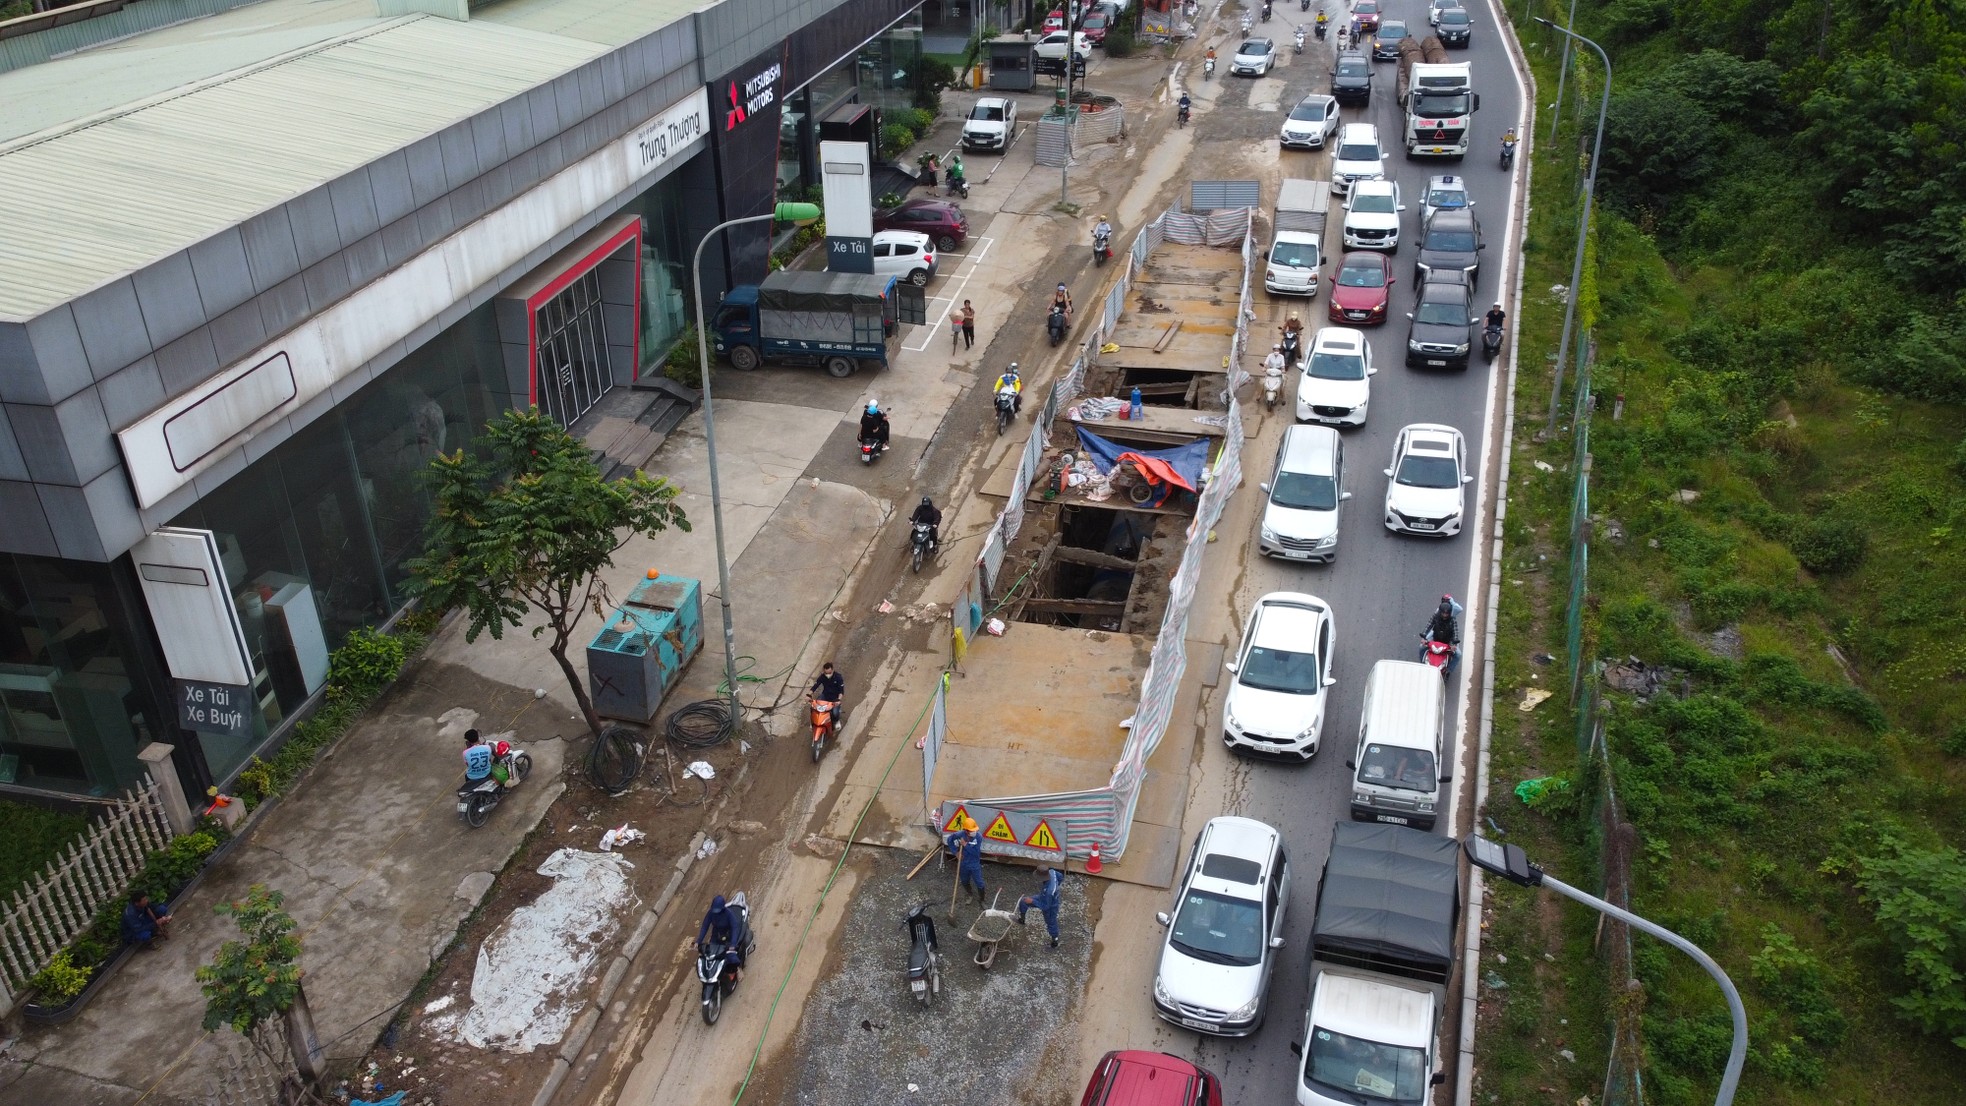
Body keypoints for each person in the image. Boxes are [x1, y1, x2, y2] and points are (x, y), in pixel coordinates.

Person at [697, 894, 746, 983]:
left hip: (728, 936)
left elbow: (735, 928)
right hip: (716, 936)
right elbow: (705, 926)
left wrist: (733, 944)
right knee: (709, 955)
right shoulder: (710, 913)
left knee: (730, 956)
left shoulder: (729, 914)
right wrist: (698, 941)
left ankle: (738, 969)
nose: (716, 912)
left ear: (723, 908)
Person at [1015, 867, 1064, 948]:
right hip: (1042, 897)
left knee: (1051, 922)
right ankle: (1022, 919)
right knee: (1023, 901)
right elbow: (1061, 877)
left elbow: (1045, 907)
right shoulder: (1052, 872)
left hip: (1051, 906)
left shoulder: (1049, 891)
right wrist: (1056, 887)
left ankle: (1054, 940)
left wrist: (1032, 901)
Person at [943, 817, 987, 903]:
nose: (974, 832)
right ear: (966, 830)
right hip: (963, 863)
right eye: (971, 830)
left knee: (979, 882)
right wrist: (955, 852)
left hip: (974, 863)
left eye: (975, 830)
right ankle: (970, 894)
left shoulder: (978, 837)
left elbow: (975, 853)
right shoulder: (960, 834)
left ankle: (982, 900)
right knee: (964, 880)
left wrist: (965, 844)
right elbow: (949, 840)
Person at [1421, 595, 1464, 673]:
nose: (1445, 615)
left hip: (1448, 641)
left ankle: (1448, 671)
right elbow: (1428, 625)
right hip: (1436, 638)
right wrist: (1424, 637)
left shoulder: (1453, 620)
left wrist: (1453, 644)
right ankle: (1422, 664)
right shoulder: (1435, 616)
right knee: (1421, 647)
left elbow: (1455, 632)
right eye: (1443, 613)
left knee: (1458, 655)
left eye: (1447, 613)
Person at [807, 661, 845, 735]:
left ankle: (836, 721)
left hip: (835, 698)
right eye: (826, 673)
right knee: (813, 708)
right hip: (825, 696)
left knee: (835, 713)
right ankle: (813, 723)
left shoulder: (838, 677)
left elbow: (841, 691)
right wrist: (808, 695)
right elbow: (815, 686)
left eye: (829, 673)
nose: (827, 675)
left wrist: (839, 699)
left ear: (832, 670)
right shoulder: (822, 677)